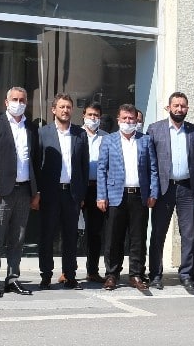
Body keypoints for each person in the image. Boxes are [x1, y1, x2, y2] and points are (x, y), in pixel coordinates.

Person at [0, 87, 40, 297]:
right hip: (2, 192)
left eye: (22, 100)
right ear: (6, 102)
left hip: (24, 190)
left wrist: (36, 191)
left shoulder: (31, 127)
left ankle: (13, 278)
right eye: (14, 99)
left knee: (18, 238)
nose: (19, 103)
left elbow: (35, 160)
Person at [146, 92, 194, 293]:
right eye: (176, 105)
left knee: (188, 234)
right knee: (158, 233)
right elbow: (150, 163)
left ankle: (186, 274)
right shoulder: (155, 129)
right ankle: (155, 275)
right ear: (169, 107)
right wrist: (152, 190)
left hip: (187, 188)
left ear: (187, 108)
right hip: (164, 188)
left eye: (183, 106)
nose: (179, 109)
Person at [97, 104, 159, 291]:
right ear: (118, 120)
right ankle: (112, 274)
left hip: (139, 196)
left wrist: (153, 192)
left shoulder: (145, 140)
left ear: (136, 120)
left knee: (138, 237)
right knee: (113, 237)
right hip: (116, 195)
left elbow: (153, 169)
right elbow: (102, 169)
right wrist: (101, 196)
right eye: (124, 118)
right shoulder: (108, 140)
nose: (128, 121)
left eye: (131, 118)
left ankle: (136, 275)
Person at [36, 94, 88, 289]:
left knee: (70, 236)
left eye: (68, 107)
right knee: (47, 236)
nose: (65, 110)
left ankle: (70, 275)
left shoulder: (80, 134)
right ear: (53, 110)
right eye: (62, 107)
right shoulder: (43, 133)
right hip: (50, 193)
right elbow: (37, 163)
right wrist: (37, 192)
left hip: (71, 194)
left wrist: (81, 194)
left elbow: (83, 166)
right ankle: (46, 275)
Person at [82, 103, 109, 283]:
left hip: (98, 188)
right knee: (70, 230)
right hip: (78, 188)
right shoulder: (75, 134)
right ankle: (67, 271)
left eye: (96, 115)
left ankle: (92, 270)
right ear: (83, 115)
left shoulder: (107, 137)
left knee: (95, 232)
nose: (93, 118)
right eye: (90, 115)